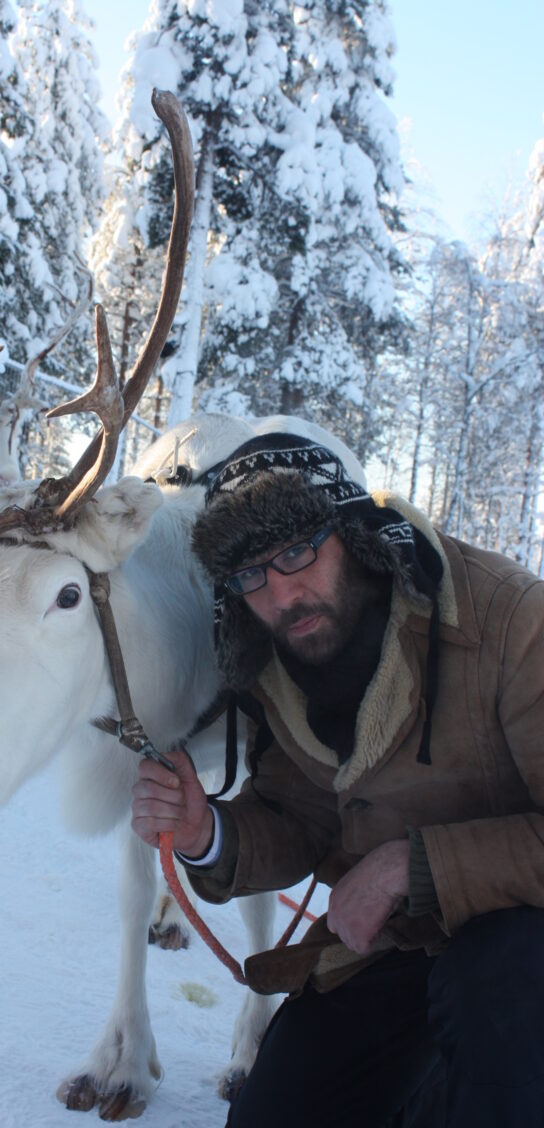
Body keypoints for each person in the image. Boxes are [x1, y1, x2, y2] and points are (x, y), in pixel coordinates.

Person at [130, 429, 544, 1128]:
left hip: (520, 950)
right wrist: (206, 832)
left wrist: (410, 867)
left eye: (297, 552)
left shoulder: (510, 620)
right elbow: (300, 820)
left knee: (496, 999)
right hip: (390, 946)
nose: (282, 594)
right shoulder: (280, 662)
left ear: (352, 533)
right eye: (250, 575)